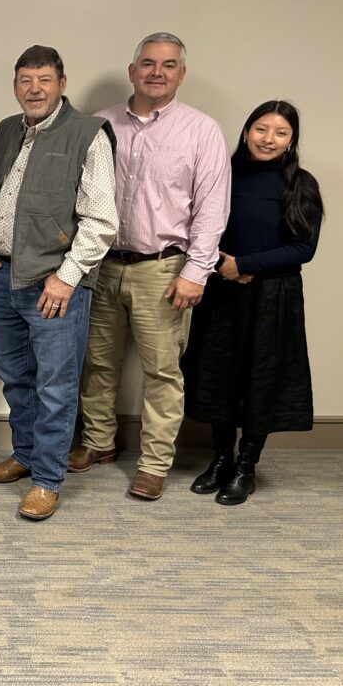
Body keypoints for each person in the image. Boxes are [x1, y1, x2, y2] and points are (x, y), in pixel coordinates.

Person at [69, 32, 231, 501]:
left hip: (163, 270)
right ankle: (98, 444)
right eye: (147, 63)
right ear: (132, 70)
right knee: (97, 364)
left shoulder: (201, 131)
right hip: (100, 266)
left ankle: (155, 464)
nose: (156, 71)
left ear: (182, 74)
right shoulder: (99, 125)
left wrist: (195, 272)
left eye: (168, 64)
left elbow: (212, 210)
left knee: (162, 372)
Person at [0, 46, 118, 520]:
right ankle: (26, 455)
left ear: (61, 83)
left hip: (53, 285)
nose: (33, 89)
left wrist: (67, 277)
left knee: (55, 386)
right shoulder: (5, 130)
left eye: (43, 79)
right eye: (24, 80)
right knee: (16, 377)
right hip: (3, 277)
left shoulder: (86, 133)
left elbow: (100, 220)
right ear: (15, 86)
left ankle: (47, 479)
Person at [182, 100, 323, 505]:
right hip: (221, 291)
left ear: (291, 141)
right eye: (261, 129)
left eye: (280, 133)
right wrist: (221, 268)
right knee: (219, 376)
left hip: (274, 297)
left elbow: (303, 248)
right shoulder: (221, 174)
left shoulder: (301, 184)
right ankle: (221, 459)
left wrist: (245, 265)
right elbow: (197, 226)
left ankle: (246, 468)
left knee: (261, 379)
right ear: (246, 131)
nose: (269, 139)